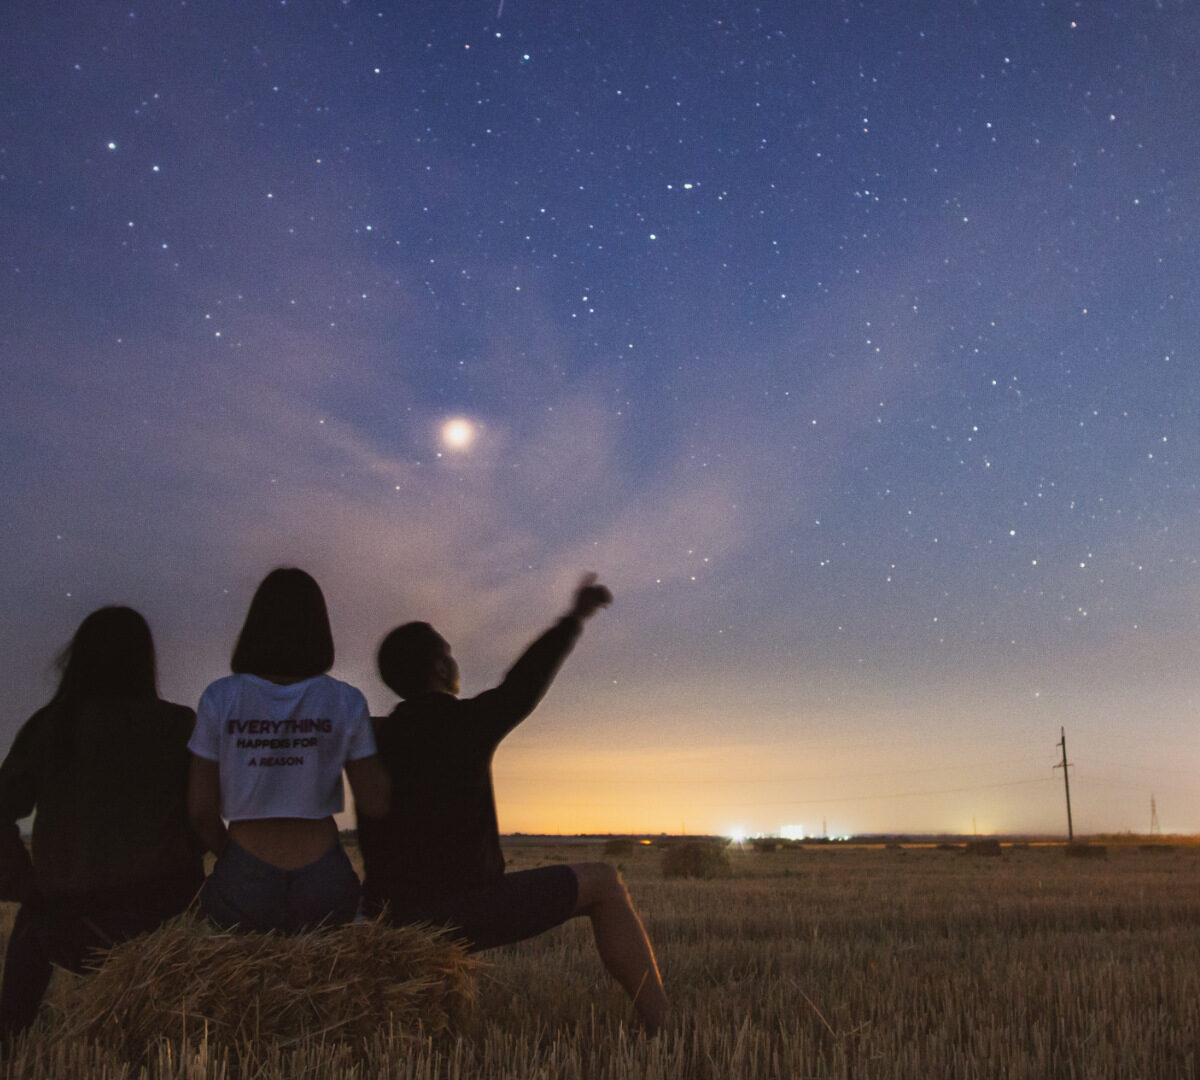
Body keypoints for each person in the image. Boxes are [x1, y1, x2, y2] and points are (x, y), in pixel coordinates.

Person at [359, 574, 669, 1032]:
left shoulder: (369, 734)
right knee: (604, 883)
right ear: (441, 670)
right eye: (449, 653)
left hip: (388, 914)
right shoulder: (468, 723)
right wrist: (575, 618)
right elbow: (526, 679)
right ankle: (665, 1026)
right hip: (463, 914)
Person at [0, 607, 204, 1039]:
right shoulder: (178, 725)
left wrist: (23, 881)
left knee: (30, 928)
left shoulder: (51, 727)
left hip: (68, 923)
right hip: (165, 922)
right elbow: (203, 816)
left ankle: (10, 1033)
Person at [187, 567, 389, 933]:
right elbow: (375, 802)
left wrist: (233, 857)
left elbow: (201, 810)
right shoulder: (345, 700)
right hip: (323, 874)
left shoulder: (220, 697)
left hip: (244, 870)